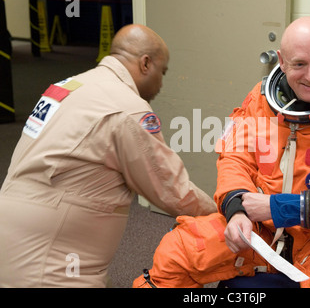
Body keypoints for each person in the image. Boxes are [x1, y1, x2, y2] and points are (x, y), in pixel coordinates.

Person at [133, 17, 310, 288]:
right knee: (178, 251)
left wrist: (280, 208)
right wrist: (237, 209)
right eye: (299, 64)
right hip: (261, 229)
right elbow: (235, 159)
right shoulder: (261, 99)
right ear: (282, 60)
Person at [0, 24, 216, 287]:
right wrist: (224, 212)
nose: (161, 83)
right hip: (51, 259)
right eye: (163, 72)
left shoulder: (68, 86)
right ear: (145, 63)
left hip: (13, 230)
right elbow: (173, 190)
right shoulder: (128, 109)